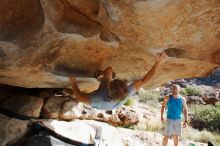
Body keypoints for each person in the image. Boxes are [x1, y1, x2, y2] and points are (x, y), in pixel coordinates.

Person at [69, 52, 167, 110]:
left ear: (108, 86)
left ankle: (68, 92)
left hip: (105, 102)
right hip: (114, 98)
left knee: (80, 94)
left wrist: (73, 83)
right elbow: (145, 80)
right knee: (109, 70)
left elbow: (80, 97)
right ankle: (100, 75)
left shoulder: (98, 99)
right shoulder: (126, 92)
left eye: (112, 81)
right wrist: (157, 64)